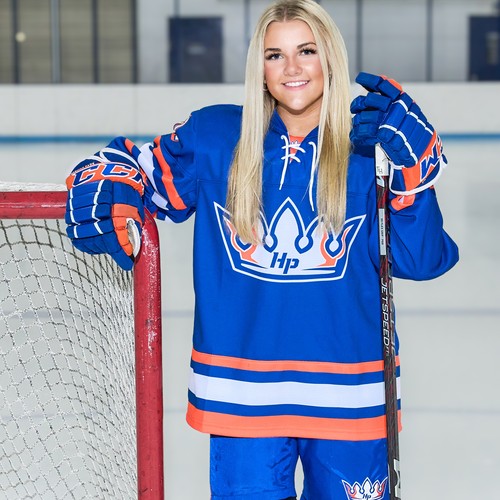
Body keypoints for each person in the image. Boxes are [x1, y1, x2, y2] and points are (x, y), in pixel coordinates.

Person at [65, 0, 459, 498]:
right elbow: (129, 167)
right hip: (242, 397)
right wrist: (107, 182)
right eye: (275, 55)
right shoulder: (215, 137)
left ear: (330, 57)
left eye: (306, 51)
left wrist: (414, 175)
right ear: (260, 67)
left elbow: (422, 260)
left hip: (352, 394)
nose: (292, 67)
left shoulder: (370, 147)